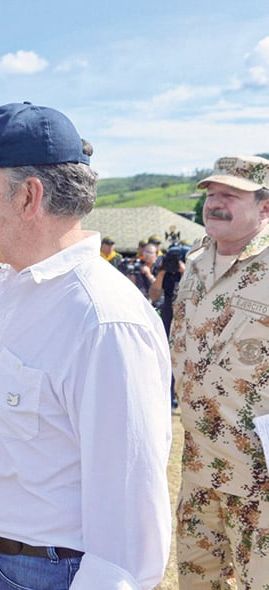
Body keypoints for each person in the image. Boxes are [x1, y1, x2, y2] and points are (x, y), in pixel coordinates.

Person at [0, 102, 173, 589]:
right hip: (2, 559)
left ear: (28, 197)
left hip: (50, 572)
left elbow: (129, 521)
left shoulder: (102, 319)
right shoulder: (20, 287)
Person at [172, 155, 269, 588]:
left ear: (264, 207)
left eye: (230, 195)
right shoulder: (194, 265)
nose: (215, 203)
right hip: (198, 463)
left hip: (257, 474)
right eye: (211, 194)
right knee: (197, 578)